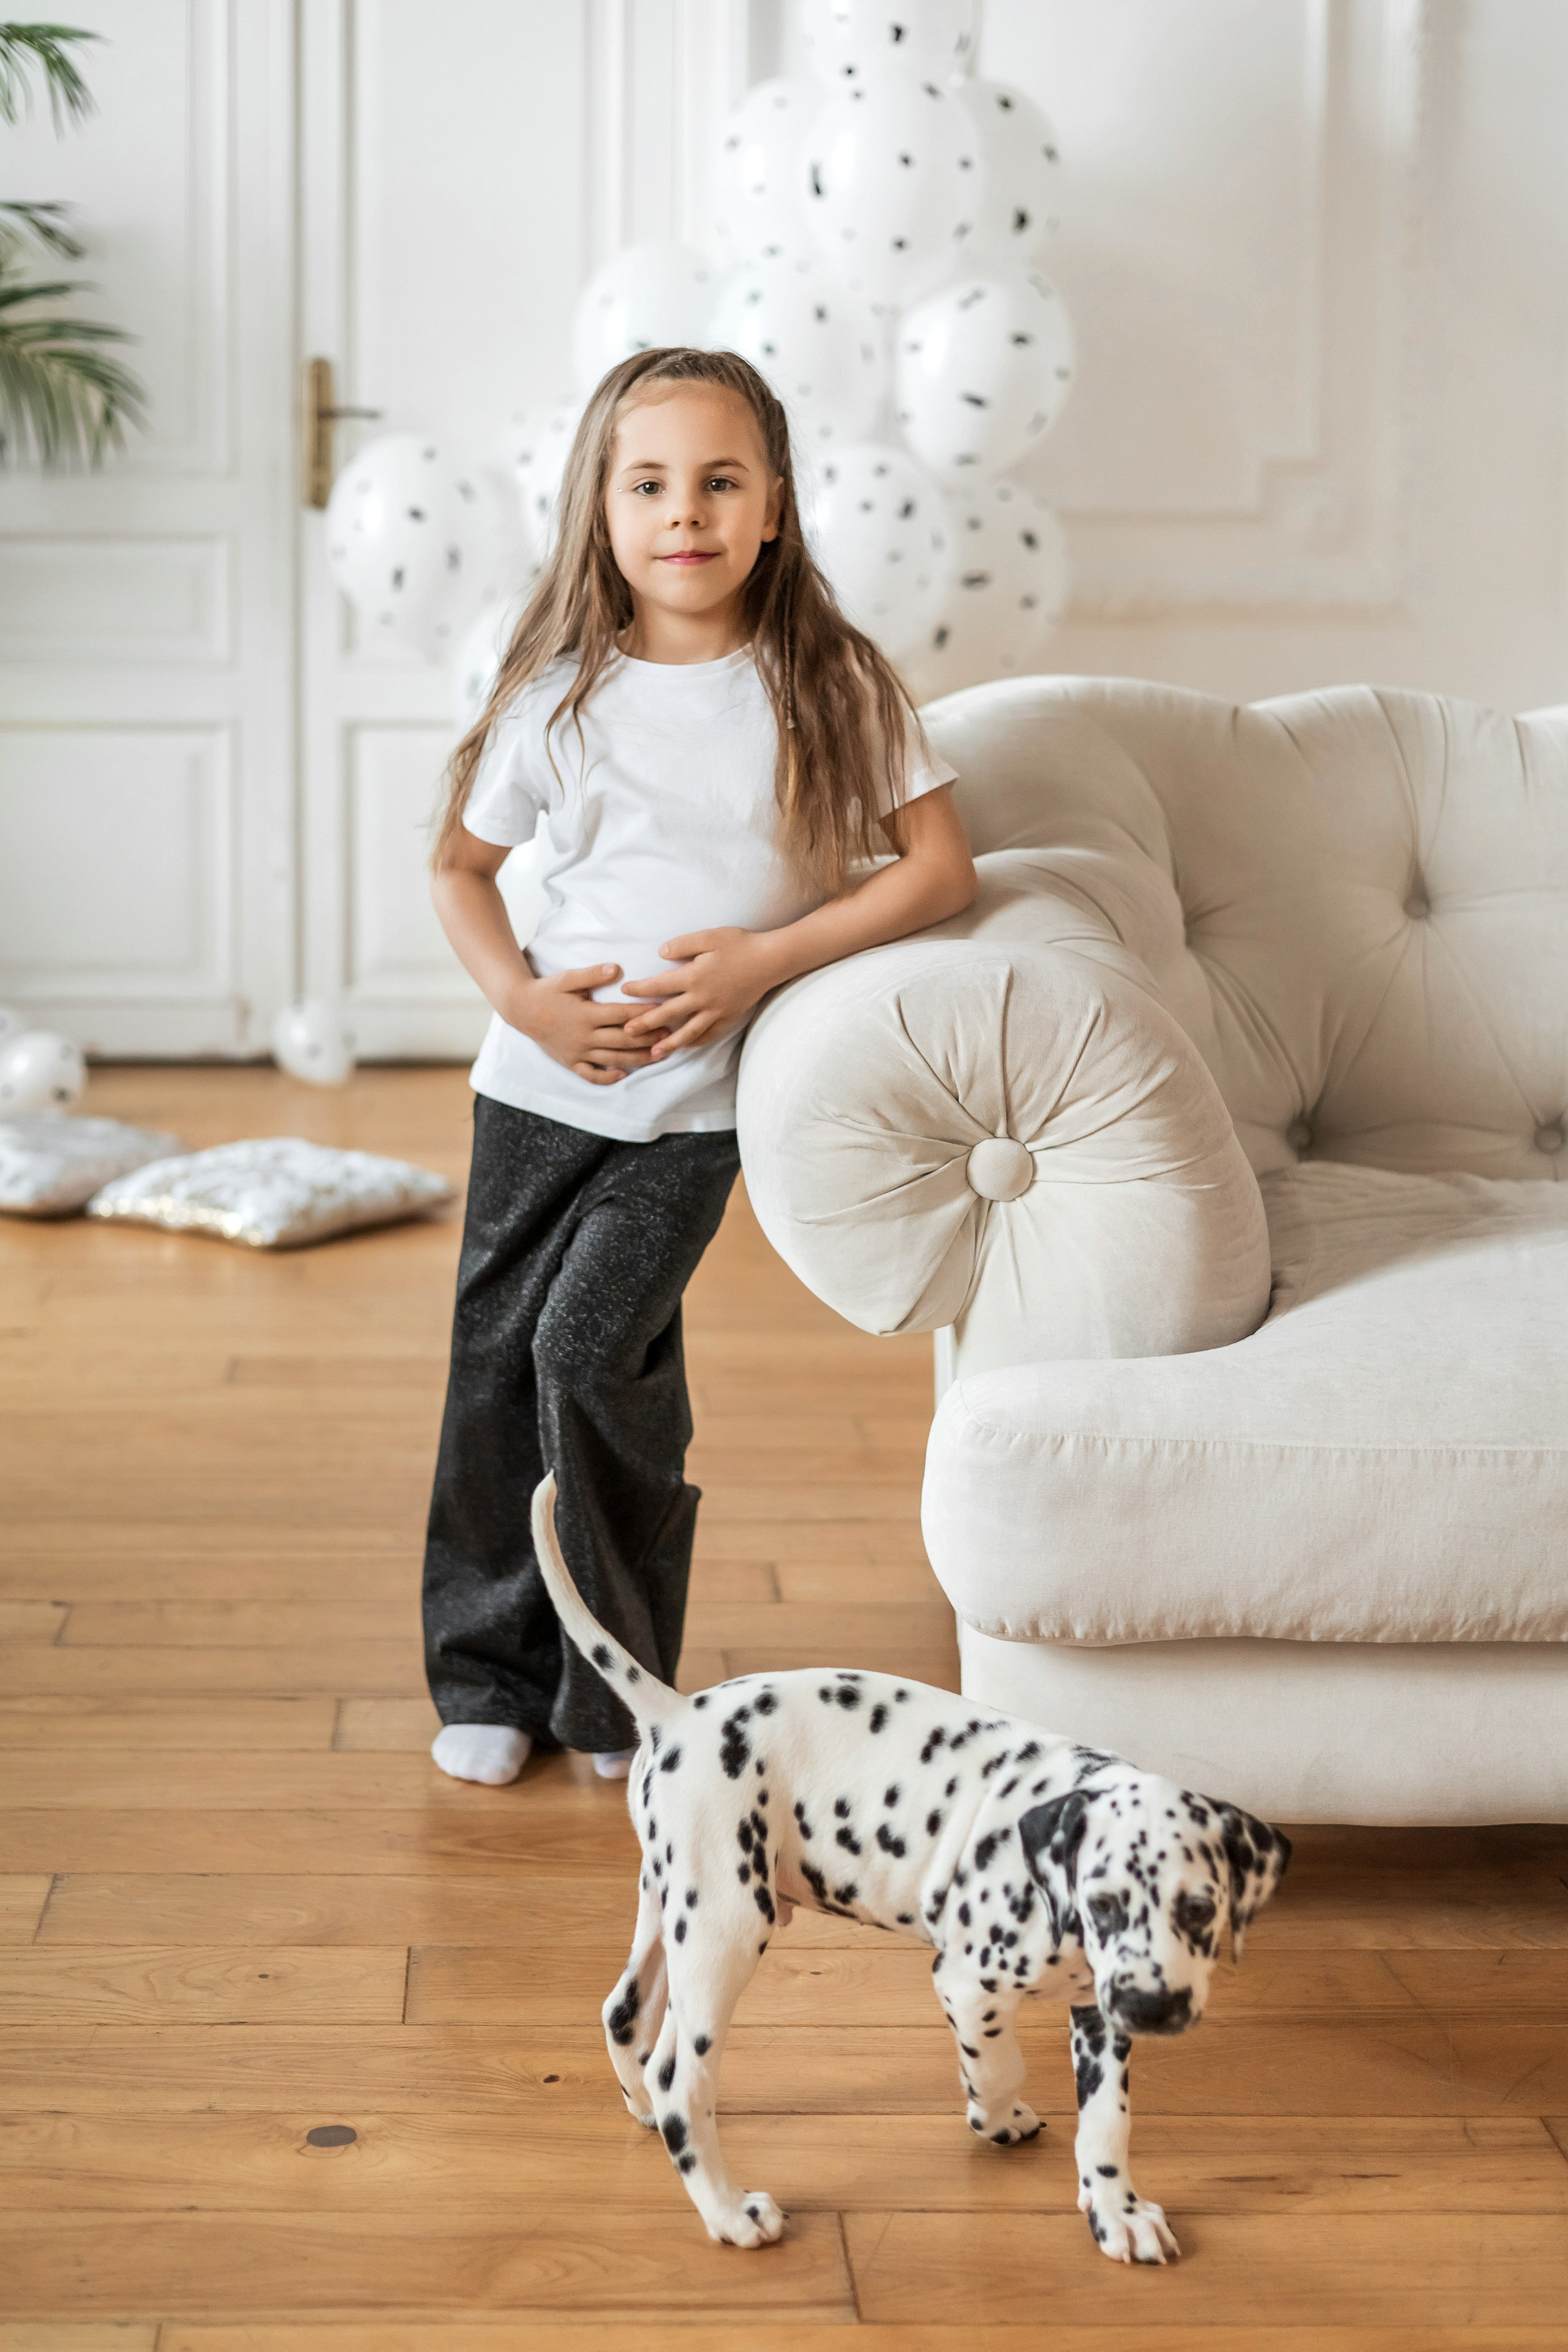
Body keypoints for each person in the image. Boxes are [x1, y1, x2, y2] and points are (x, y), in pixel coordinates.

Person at [423, 344, 976, 1788]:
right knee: (498, 1374)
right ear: (600, 509)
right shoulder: (559, 693)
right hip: (536, 1095)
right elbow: (462, 870)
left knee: (585, 1348)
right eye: (651, 483)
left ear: (775, 505)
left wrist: (759, 962)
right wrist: (526, 1004)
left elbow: (936, 871)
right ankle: (487, 1673)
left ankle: (611, 1687)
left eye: (720, 481)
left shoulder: (827, 681)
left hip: (689, 1117)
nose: (687, 512)